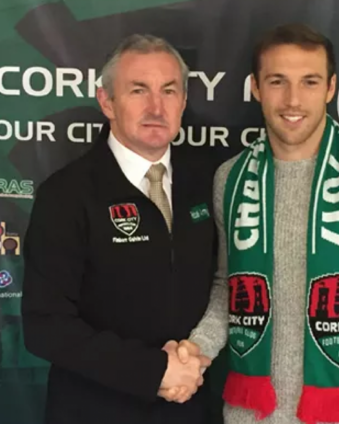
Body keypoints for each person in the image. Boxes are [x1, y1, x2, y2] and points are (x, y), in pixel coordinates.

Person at [165, 23, 339, 424]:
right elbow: (232, 289)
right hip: (250, 414)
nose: (293, 99)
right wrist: (197, 349)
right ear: (256, 88)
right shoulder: (231, 178)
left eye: (309, 82)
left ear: (330, 89)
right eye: (277, 81)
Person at [21, 34, 217, 424]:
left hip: (191, 406)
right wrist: (153, 371)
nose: (156, 107)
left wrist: (194, 356)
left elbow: (224, 283)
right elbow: (45, 325)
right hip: (95, 410)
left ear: (183, 101)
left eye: (168, 91)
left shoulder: (209, 181)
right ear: (107, 101)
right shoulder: (66, 194)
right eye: (138, 90)